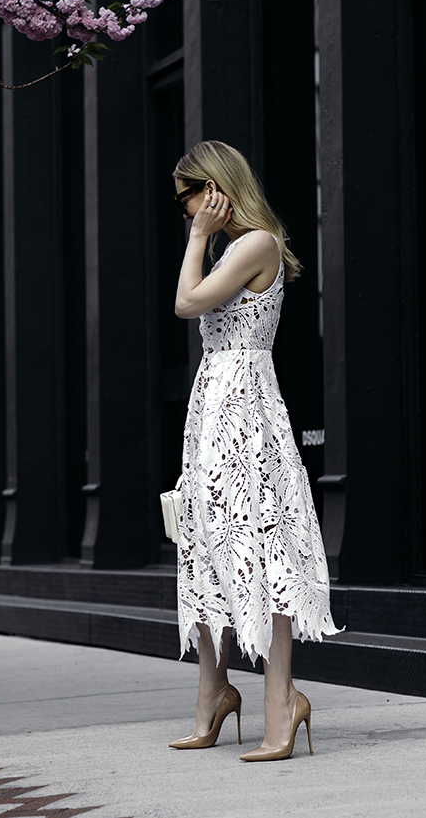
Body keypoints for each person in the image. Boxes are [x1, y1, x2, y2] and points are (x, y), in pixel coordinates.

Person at [169, 140, 341, 762]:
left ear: (214, 189)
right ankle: (214, 691)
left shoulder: (256, 243)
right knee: (208, 539)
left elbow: (186, 303)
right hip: (213, 400)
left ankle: (281, 700)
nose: (184, 211)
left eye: (188, 196)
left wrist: (197, 239)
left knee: (262, 541)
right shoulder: (229, 248)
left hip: (244, 402)